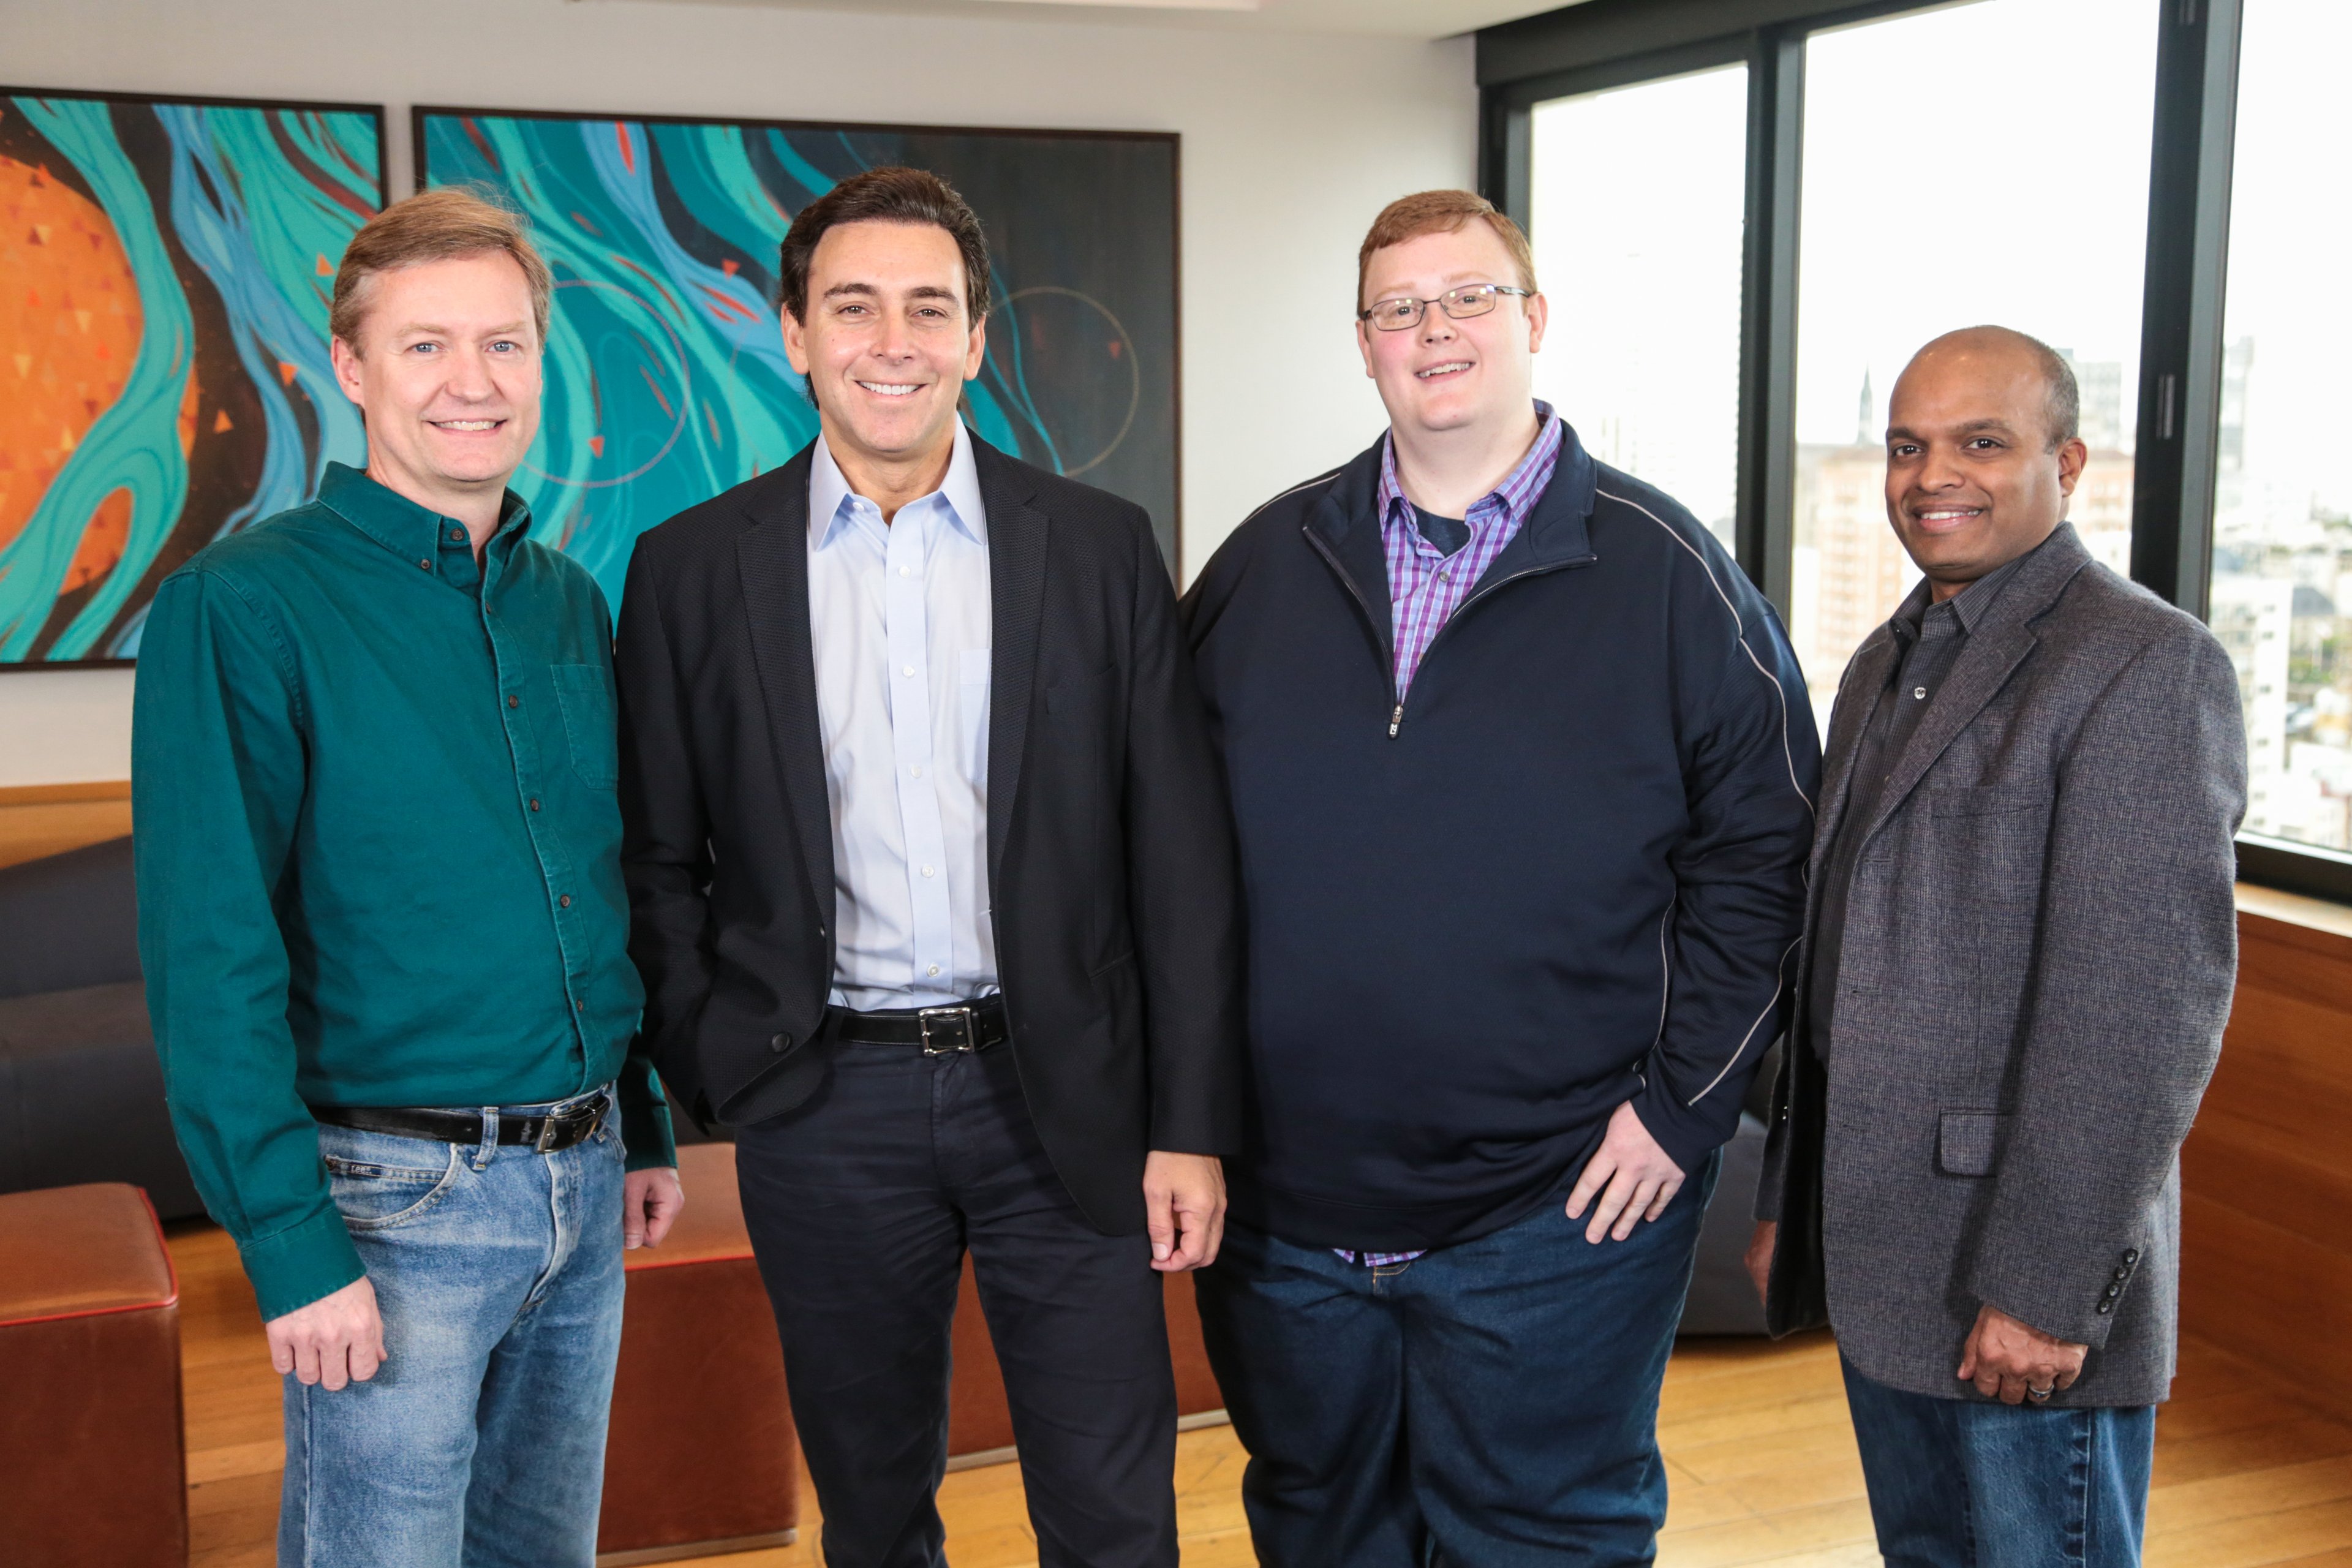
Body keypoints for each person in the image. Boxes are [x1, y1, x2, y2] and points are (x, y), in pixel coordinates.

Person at [613, 165, 1243, 1568]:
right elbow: (655, 854)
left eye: (927, 307)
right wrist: (716, 1061)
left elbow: (1180, 861)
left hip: (1066, 1095)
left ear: (973, 336)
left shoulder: (1097, 548)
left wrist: (1188, 1119)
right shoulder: (688, 568)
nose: (890, 340)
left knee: (1114, 1509)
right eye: (853, 305)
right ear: (792, 332)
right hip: (824, 1101)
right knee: (874, 1507)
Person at [1180, 188, 1819, 1565]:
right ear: (1364, 345)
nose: (1437, 329)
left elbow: (1766, 856)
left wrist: (1681, 1114)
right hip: (1289, 1216)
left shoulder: (1669, 576)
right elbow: (1166, 859)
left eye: (1469, 296)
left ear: (1532, 321)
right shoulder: (1259, 567)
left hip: (1562, 1207)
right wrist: (1184, 1116)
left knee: (1544, 1541)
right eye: (1400, 306)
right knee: (1316, 1526)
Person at [132, 187, 684, 1567]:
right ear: (352, 364)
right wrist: (288, 1241)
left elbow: (591, 875)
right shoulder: (244, 603)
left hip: (584, 1177)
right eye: (427, 345)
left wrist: (643, 1115)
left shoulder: (565, 594)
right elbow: (211, 951)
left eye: (504, 345)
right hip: (393, 1202)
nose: (472, 382)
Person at [1746, 326, 2246, 1566]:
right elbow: (1838, 960)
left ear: (2067, 462)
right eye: (1908, 446)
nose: (1933, 476)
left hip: (2016, 1287)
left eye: (1982, 441)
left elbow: (2138, 1015)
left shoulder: (2141, 662)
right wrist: (1789, 1200)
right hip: (1890, 1258)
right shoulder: (1888, 656)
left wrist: (2044, 1282)